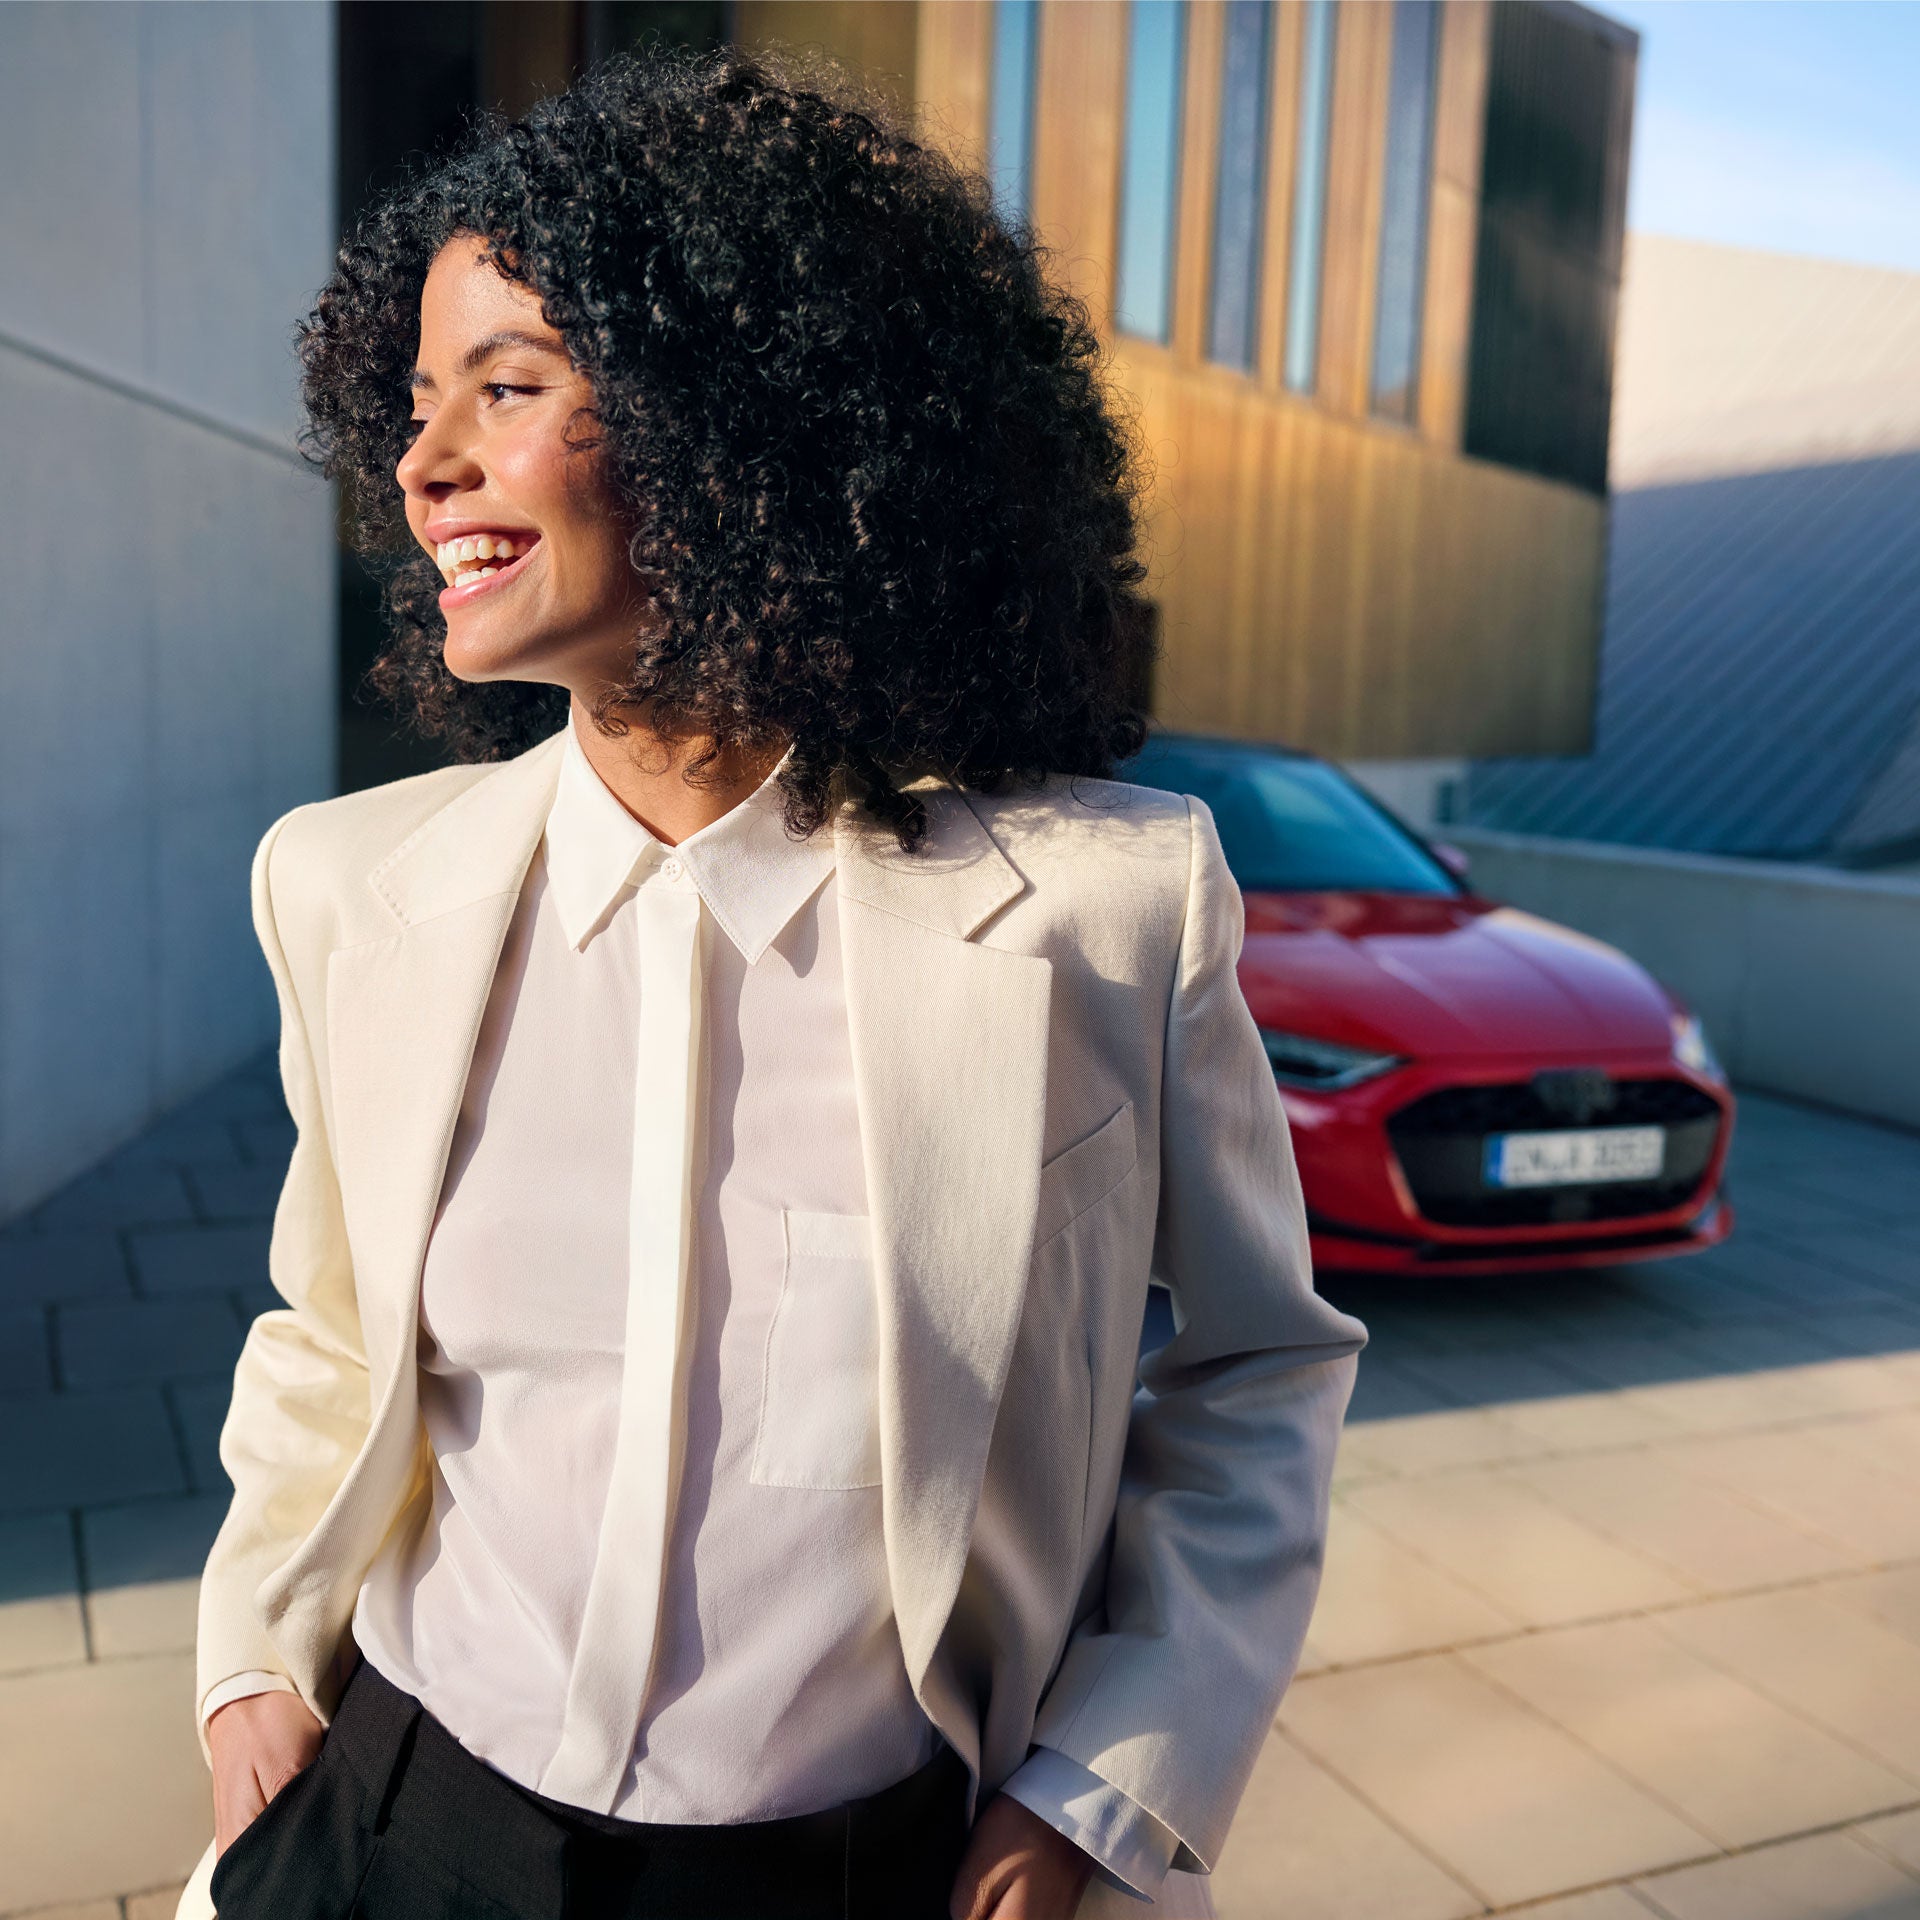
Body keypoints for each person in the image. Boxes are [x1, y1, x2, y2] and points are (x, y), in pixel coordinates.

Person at [180, 43, 1366, 1920]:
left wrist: (1102, 1788)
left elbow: (1256, 1369)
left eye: (511, 388)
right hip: (400, 1823)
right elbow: (330, 1332)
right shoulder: (347, 887)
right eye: (416, 403)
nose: (423, 466)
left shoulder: (1101, 912)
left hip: (876, 1868)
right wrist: (252, 1655)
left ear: (746, 422)